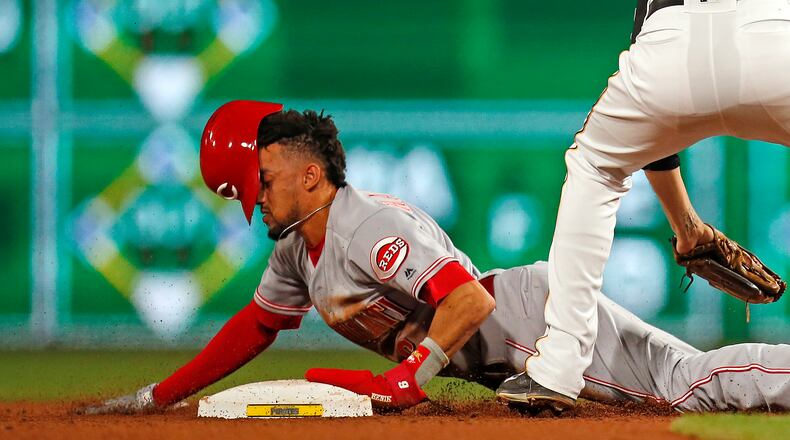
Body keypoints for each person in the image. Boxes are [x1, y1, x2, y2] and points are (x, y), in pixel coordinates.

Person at [84, 102, 789, 415]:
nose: (256, 202)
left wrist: (413, 375)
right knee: (673, 388)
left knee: (686, 385)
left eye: (259, 184)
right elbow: (255, 327)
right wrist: (159, 396)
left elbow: (470, 301)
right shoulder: (299, 251)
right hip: (502, 346)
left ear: (305, 172)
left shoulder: (368, 227)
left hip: (521, 322)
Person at [497, 0, 790, 410]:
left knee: (594, 166)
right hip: (774, 39)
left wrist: (687, 227)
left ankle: (557, 370)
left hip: (670, 42)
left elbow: (651, 145)